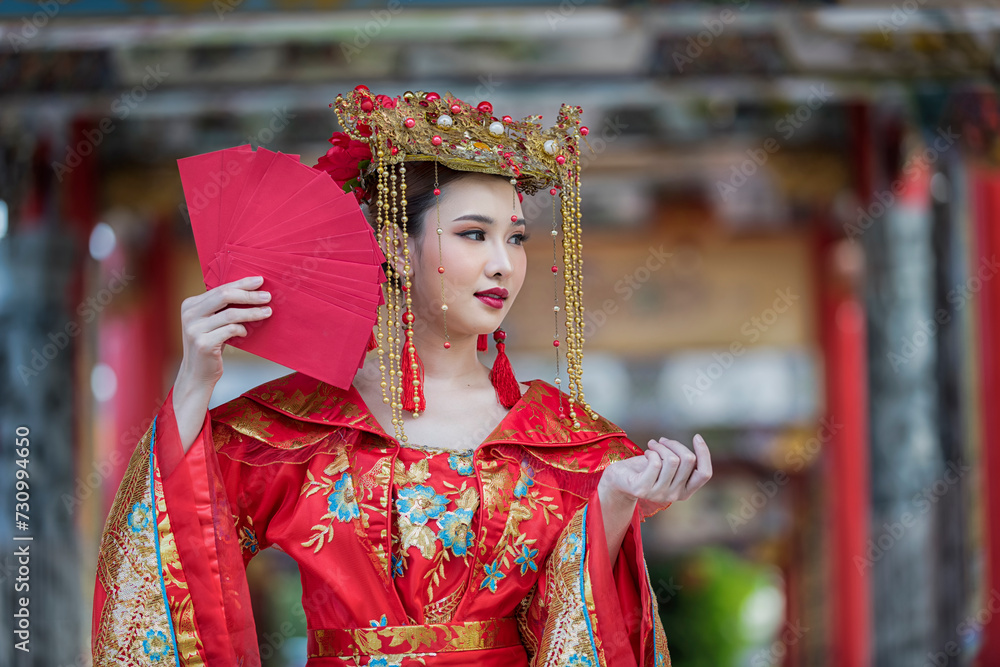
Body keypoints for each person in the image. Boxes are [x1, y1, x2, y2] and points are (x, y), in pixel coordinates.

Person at [91, 87, 712, 667]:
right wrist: (195, 382)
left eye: (516, 238)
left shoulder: (566, 443)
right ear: (394, 245)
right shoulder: (296, 428)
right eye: (474, 234)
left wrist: (613, 503)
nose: (504, 264)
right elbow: (179, 548)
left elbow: (561, 623)